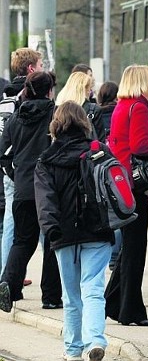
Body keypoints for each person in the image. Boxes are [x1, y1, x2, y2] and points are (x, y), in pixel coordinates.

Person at [34, 101, 113, 361]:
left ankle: (73, 350)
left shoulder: (47, 159)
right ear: (84, 122)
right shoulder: (99, 151)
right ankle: (95, 341)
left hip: (64, 235)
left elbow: (45, 200)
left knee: (71, 296)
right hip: (98, 231)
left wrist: (51, 230)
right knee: (93, 289)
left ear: (56, 124)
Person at [104, 65, 148, 327]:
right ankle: (130, 311)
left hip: (122, 182)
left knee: (130, 248)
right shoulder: (139, 107)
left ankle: (115, 303)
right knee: (135, 250)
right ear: (142, 82)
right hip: (134, 185)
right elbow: (141, 144)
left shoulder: (122, 105)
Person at [0, 71, 63, 313]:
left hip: (24, 188)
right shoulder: (55, 114)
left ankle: (9, 284)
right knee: (52, 241)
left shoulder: (16, 117)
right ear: (49, 90)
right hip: (51, 188)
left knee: (22, 241)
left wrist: (16, 174)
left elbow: (3, 153)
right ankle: (50, 296)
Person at [1, 48, 43, 282]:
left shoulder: (6, 98)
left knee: (12, 224)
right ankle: (11, 276)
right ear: (31, 69)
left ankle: (7, 276)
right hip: (27, 170)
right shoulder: (28, 99)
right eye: (40, 64)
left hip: (14, 169)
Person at [96, 81, 120, 270]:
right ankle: (114, 256)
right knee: (117, 206)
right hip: (114, 165)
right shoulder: (118, 112)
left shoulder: (96, 113)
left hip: (98, 165)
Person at [55, 72, 106, 142]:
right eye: (89, 88)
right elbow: (100, 139)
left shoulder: (58, 109)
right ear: (85, 89)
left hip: (63, 151)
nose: (90, 92)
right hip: (87, 151)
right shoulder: (94, 110)